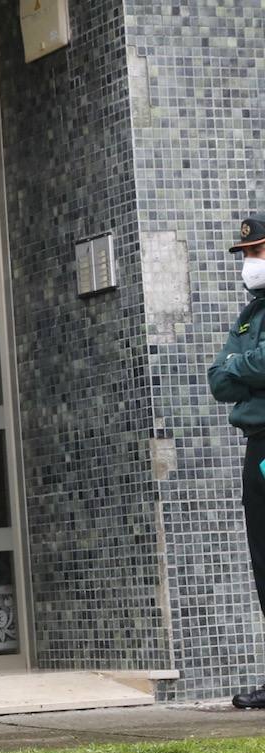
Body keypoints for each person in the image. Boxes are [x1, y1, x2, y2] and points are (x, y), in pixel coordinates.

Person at [208, 212, 265, 709]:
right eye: (246, 253)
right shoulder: (250, 314)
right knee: (263, 563)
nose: (250, 262)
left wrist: (241, 366)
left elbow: (243, 367)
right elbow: (217, 380)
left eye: (257, 252)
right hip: (257, 446)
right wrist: (246, 367)